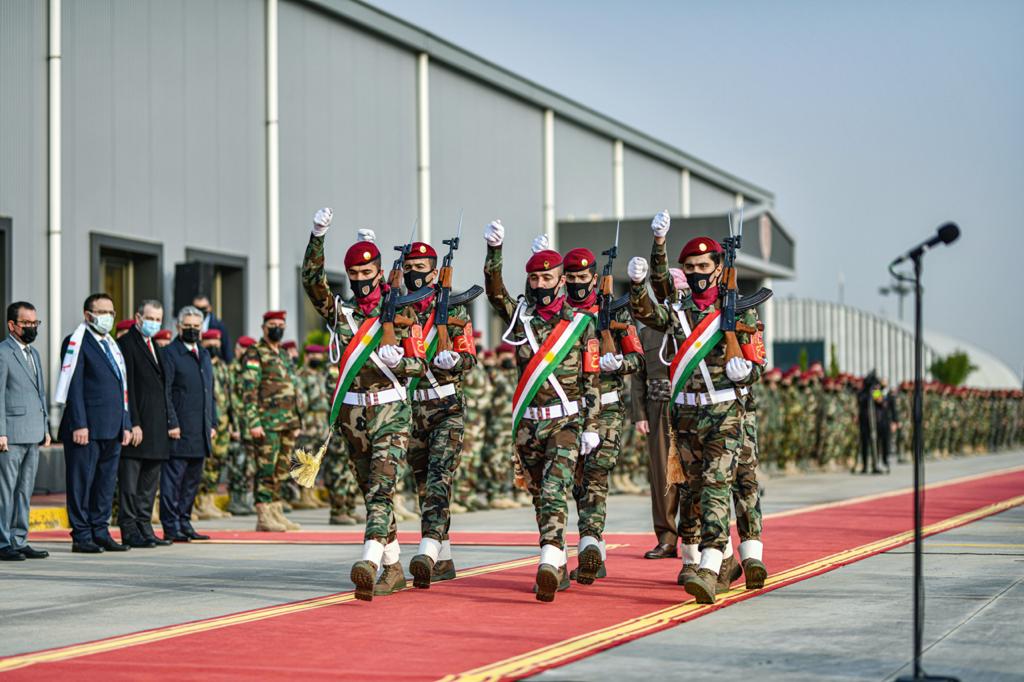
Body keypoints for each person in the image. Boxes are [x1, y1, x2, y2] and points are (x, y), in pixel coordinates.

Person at [628, 214, 766, 604]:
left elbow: (758, 360)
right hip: (685, 416)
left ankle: (710, 564)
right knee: (691, 489)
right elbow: (647, 311)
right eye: (690, 268)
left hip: (726, 413)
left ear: (719, 269)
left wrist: (746, 371)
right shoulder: (678, 311)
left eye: (704, 267)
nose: (697, 273)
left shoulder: (739, 309)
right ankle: (723, 563)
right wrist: (648, 266)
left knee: (720, 485)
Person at [302, 208, 426, 601]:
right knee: (370, 489)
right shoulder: (342, 312)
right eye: (353, 275)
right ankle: (393, 566)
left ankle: (369, 560)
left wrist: (400, 362)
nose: (360, 281)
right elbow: (312, 283)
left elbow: (419, 364)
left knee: (381, 489)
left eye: (366, 275)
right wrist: (317, 236)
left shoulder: (404, 312)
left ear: (378, 274)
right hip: (352, 415)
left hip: (390, 410)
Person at [483, 220, 601, 602]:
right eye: (533, 278)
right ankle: (558, 562)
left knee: (554, 490)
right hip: (528, 425)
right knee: (539, 495)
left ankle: (549, 560)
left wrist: (592, 424)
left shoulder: (580, 324)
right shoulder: (520, 318)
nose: (538, 284)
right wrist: (494, 254)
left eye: (546, 277)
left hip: (566, 421)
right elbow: (495, 293)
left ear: (561, 280)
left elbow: (591, 378)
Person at [558, 245, 644, 584]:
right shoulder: (559, 312)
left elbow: (638, 359)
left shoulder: (617, 313)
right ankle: (590, 546)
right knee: (573, 480)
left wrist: (619, 362)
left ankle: (590, 542)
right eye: (572, 278)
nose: (578, 283)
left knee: (594, 475)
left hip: (606, 406)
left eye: (584, 277)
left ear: (595, 278)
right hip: (567, 408)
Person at [400, 240, 478, 589]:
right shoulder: (398, 309)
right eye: (409, 267)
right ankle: (443, 557)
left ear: (435, 272)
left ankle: (428, 549)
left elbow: (470, 356)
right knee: (421, 483)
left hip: (447, 406)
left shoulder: (454, 310)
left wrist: (456, 360)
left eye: (421, 268)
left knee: (438, 478)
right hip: (411, 405)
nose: (414, 274)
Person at [56, 293, 132, 553]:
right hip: (85, 428)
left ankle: (100, 530)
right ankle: (81, 534)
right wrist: (79, 423)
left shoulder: (111, 344)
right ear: (88, 315)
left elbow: (122, 388)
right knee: (81, 482)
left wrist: (126, 422)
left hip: (112, 427)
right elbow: (73, 385)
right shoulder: (76, 342)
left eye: (111, 312)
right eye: (102, 312)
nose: (108, 317)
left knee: (105, 483)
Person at [631, 265, 688, 561]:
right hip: (658, 407)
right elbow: (638, 376)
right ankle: (666, 537)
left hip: (691, 404)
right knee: (661, 476)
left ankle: (696, 535)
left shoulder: (694, 325)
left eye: (676, 291)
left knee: (692, 473)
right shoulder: (647, 330)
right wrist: (639, 413)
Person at [116, 300, 173, 548]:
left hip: (157, 428)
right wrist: (133, 422)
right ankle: (129, 529)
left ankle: (145, 526)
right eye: (150, 318)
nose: (154, 323)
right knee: (130, 484)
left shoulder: (155, 346)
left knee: (149, 485)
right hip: (138, 427)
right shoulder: (127, 344)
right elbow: (127, 387)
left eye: (158, 319)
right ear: (138, 318)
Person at [239, 311, 302, 533]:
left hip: (287, 422)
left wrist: (296, 423)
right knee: (266, 469)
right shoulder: (255, 353)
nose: (277, 327)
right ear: (263, 327)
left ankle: (276, 510)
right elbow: (248, 391)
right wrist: (254, 422)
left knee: (281, 470)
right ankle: (263, 514)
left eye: (280, 324)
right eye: (272, 324)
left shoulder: (284, 354)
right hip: (266, 423)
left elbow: (293, 388)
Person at [0, 302, 51, 561]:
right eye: (27, 323)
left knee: (24, 490)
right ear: (12, 325)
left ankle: (19, 539)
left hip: (33, 432)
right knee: (5, 490)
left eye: (35, 323)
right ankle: (2, 542)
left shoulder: (34, 354)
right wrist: (0, 432)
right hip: (10, 433)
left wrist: (45, 427)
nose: (32, 327)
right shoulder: (3, 352)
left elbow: (40, 393)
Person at [161, 306, 216, 542]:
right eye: (188, 326)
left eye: (197, 326)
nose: (193, 330)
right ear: (178, 327)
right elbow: (166, 392)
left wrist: (211, 423)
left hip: (200, 429)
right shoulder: (171, 354)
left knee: (192, 480)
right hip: (179, 429)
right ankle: (171, 525)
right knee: (173, 480)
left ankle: (185, 521)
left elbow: (209, 392)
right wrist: (172, 422)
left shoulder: (203, 354)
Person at [196, 329, 233, 519]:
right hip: (205, 421)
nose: (215, 346)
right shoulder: (200, 363)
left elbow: (230, 395)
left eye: (217, 343)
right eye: (211, 343)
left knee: (218, 462)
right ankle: (200, 502)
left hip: (223, 422)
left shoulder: (224, 368)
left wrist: (232, 422)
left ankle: (210, 500)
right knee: (204, 463)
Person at [193, 295, 233, 362]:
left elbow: (227, 350)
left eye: (204, 308)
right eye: (197, 308)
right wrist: (203, 344)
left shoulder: (219, 326)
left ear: (209, 307)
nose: (201, 311)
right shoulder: (189, 325)